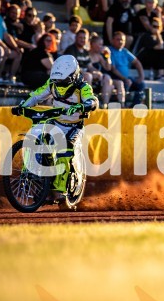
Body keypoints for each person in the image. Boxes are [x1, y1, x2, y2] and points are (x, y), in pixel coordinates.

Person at [12, 55, 99, 198]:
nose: (59, 84)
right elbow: (36, 95)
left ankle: (61, 190)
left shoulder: (82, 87)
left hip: (74, 126)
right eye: (56, 80)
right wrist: (22, 106)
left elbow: (92, 100)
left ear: (73, 76)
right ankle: (33, 174)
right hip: (55, 122)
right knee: (34, 136)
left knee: (64, 151)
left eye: (63, 81)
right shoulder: (52, 84)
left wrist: (86, 105)